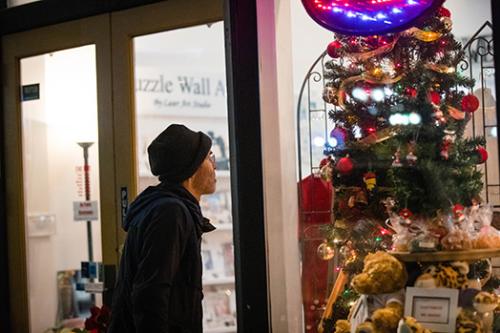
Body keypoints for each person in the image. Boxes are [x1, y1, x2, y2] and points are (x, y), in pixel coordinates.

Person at [108, 124, 217, 333]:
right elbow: (151, 293)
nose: (215, 166)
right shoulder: (171, 212)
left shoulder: (168, 207)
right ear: (191, 169)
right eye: (208, 158)